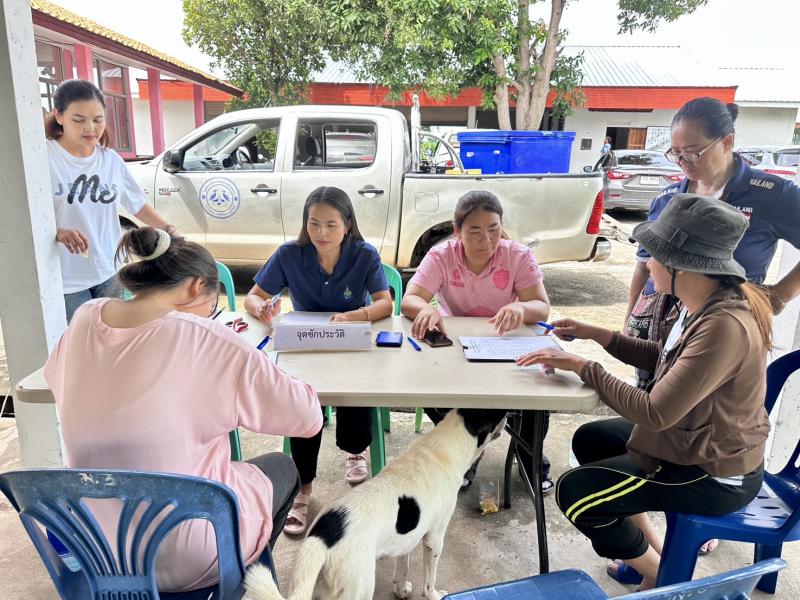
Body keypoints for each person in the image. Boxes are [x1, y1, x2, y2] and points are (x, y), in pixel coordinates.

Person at [44, 227, 322, 593]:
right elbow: (308, 417)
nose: (210, 316)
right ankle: (234, 585)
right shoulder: (209, 339)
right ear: (196, 287)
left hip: (95, 549)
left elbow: (53, 377)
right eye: (212, 307)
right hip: (187, 556)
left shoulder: (85, 317)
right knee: (282, 467)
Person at [517, 194, 771, 591]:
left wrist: (584, 367)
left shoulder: (724, 326)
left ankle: (663, 578)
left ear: (680, 266)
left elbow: (655, 413)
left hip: (714, 472)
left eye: (653, 255)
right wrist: (596, 334)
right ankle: (655, 551)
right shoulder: (699, 303)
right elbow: (663, 356)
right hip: (690, 439)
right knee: (591, 439)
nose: (647, 263)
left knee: (576, 493)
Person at [244, 186, 393, 535]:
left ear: (347, 224)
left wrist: (357, 315)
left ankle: (356, 450)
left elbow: (385, 303)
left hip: (350, 342)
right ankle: (302, 489)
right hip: (305, 345)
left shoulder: (363, 254)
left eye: (330, 224)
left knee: (356, 396)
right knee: (303, 405)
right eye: (313, 224)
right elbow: (253, 296)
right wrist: (261, 308)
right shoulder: (290, 254)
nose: (321, 233)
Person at [625, 97, 800, 389]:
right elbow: (644, 267)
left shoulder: (770, 194)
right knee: (651, 401)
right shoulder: (669, 198)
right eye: (675, 153)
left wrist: (780, 295)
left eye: (693, 152)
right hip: (662, 328)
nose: (682, 162)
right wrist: (629, 320)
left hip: (722, 331)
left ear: (727, 142)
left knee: (700, 411)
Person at [400, 190, 551, 491]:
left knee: (536, 394)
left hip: (505, 342)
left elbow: (541, 307)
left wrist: (521, 308)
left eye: (494, 229)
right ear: (457, 231)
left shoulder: (517, 255)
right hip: (457, 347)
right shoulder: (442, 255)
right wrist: (427, 309)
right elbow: (410, 300)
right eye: (475, 231)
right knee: (428, 388)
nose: (487, 240)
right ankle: (467, 451)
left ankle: (530, 458)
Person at [45, 79, 175, 322]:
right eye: (78, 120)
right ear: (59, 116)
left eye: (98, 119)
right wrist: (58, 232)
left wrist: (169, 229)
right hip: (66, 278)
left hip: (109, 269)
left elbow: (137, 204)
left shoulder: (110, 160)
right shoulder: (45, 157)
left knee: (114, 336)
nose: (90, 128)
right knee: (81, 339)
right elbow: (25, 213)